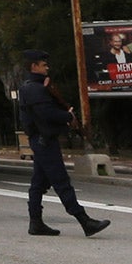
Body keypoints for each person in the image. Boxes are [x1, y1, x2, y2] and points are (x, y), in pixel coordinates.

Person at [17, 51, 110, 238]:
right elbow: (46, 114)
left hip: (43, 140)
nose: (46, 67)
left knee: (38, 183)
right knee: (61, 182)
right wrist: (68, 116)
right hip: (44, 141)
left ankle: (36, 223)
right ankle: (84, 221)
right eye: (43, 65)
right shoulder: (34, 88)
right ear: (34, 66)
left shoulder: (36, 86)